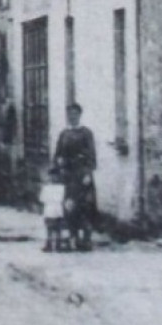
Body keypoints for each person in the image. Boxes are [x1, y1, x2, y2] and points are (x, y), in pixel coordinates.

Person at [52, 103, 98, 251]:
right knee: (70, 207)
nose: (72, 117)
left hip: (82, 176)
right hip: (68, 176)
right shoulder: (64, 134)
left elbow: (91, 155)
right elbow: (58, 153)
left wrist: (88, 173)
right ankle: (74, 237)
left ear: (79, 115)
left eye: (75, 114)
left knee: (86, 207)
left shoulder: (86, 133)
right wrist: (58, 163)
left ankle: (87, 239)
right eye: (69, 114)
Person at [39, 167, 68, 252]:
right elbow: (42, 199)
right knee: (49, 228)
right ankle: (49, 244)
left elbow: (62, 199)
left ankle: (58, 244)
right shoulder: (46, 187)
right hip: (49, 209)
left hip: (58, 209)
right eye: (51, 176)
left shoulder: (62, 187)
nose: (53, 178)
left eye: (55, 176)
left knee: (58, 228)